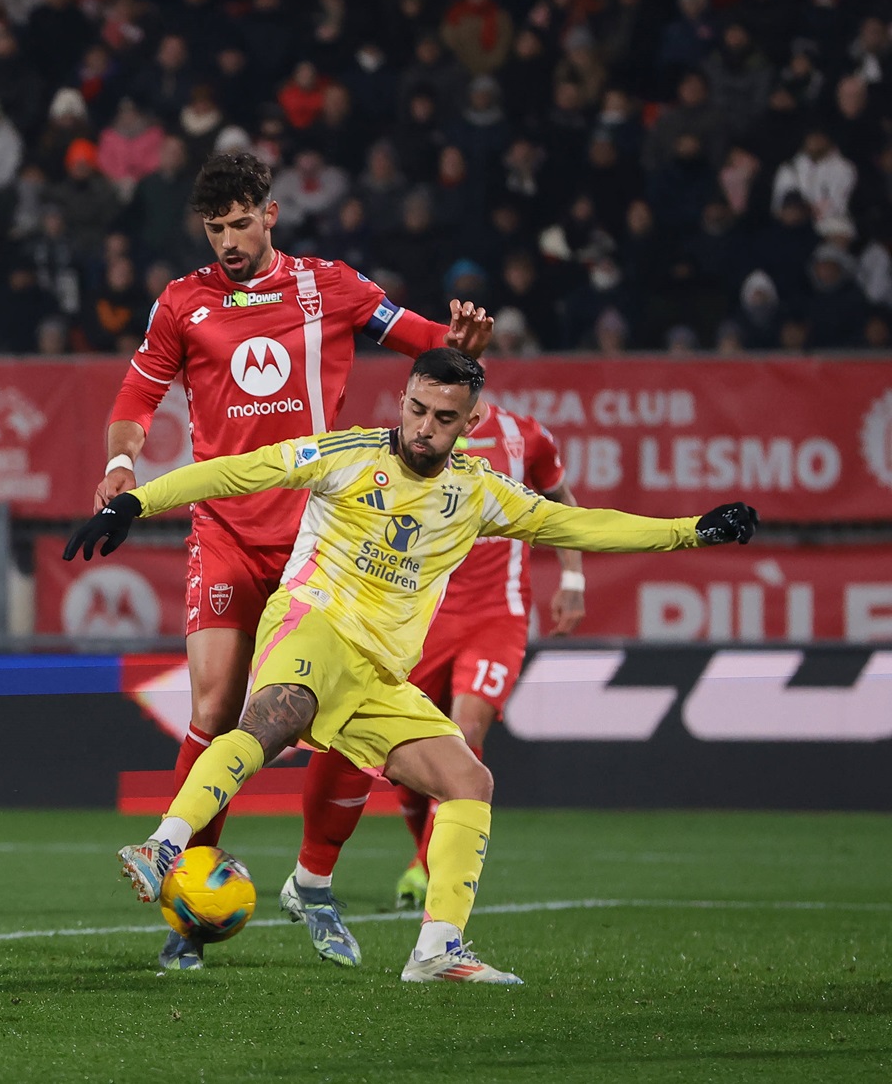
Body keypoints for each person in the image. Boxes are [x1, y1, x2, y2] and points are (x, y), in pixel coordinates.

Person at [69, 348, 760, 985]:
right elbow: (236, 472)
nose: (426, 427)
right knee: (276, 715)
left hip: (377, 674)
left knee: (468, 780)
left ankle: (437, 948)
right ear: (402, 400)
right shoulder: (347, 454)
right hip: (314, 621)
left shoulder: (479, 492)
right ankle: (164, 846)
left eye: (445, 418)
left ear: (470, 422)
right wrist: (136, 501)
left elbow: (579, 524)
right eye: (418, 409)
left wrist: (691, 531)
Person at [93, 149, 493, 970]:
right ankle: (187, 907)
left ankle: (313, 879)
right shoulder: (183, 302)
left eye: (242, 223)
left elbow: (423, 341)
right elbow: (139, 393)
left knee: (344, 716)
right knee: (216, 710)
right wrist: (123, 461)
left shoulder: (329, 286)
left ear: (270, 215)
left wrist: (458, 339)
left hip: (324, 535)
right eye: (216, 228)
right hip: (226, 534)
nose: (229, 241)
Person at [298, 397, 586, 914]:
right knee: (406, 753)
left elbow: (559, 498)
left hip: (496, 615)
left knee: (465, 731)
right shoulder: (411, 437)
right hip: (423, 616)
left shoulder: (525, 437)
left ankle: (426, 869)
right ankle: (421, 854)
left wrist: (573, 577)